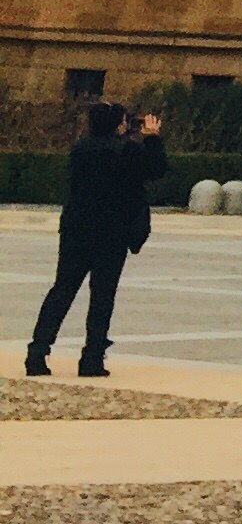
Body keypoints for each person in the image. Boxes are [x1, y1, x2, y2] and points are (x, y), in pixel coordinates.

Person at [26, 100, 165, 379]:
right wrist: (151, 139)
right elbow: (155, 171)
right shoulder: (126, 151)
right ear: (118, 124)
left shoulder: (81, 148)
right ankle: (91, 358)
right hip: (111, 232)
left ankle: (37, 353)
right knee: (102, 295)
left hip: (76, 228)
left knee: (62, 290)